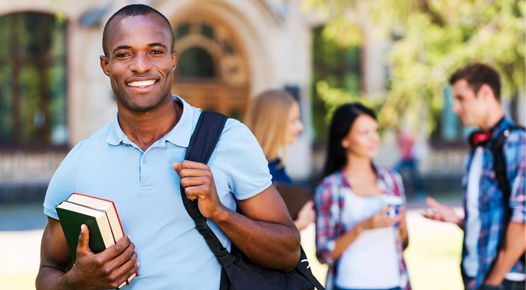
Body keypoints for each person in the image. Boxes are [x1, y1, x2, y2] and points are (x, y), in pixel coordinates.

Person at [35, 5, 301, 290]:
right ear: (106, 65)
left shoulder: (229, 138)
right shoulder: (79, 163)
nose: (140, 65)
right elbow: (48, 270)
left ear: (173, 60)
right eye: (124, 54)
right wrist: (76, 282)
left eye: (155, 51)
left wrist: (220, 213)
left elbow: (288, 253)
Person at [423, 63, 525, 290]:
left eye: (461, 98)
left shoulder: (518, 142)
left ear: (486, 93)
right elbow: (494, 220)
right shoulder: (477, 147)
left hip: (505, 281)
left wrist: (492, 283)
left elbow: (523, 222)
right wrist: (459, 220)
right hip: (474, 276)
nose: (455, 108)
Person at [315, 103, 411, 290]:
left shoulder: (392, 180)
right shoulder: (329, 188)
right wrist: (362, 227)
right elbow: (323, 254)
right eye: (364, 132)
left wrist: (403, 226)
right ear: (344, 140)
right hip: (349, 284)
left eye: (375, 130)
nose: (374, 138)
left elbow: (403, 243)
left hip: (394, 283)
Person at [244, 89, 315, 231]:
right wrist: (300, 224)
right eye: (293, 121)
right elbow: (261, 235)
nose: (300, 127)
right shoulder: (256, 173)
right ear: (273, 124)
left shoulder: (275, 165)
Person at [394, 127, 425, 199]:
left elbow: (415, 142)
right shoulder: (400, 139)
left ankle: (420, 192)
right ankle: (397, 191)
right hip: (405, 159)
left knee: (414, 176)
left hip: (410, 158)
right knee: (396, 171)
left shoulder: (406, 138)